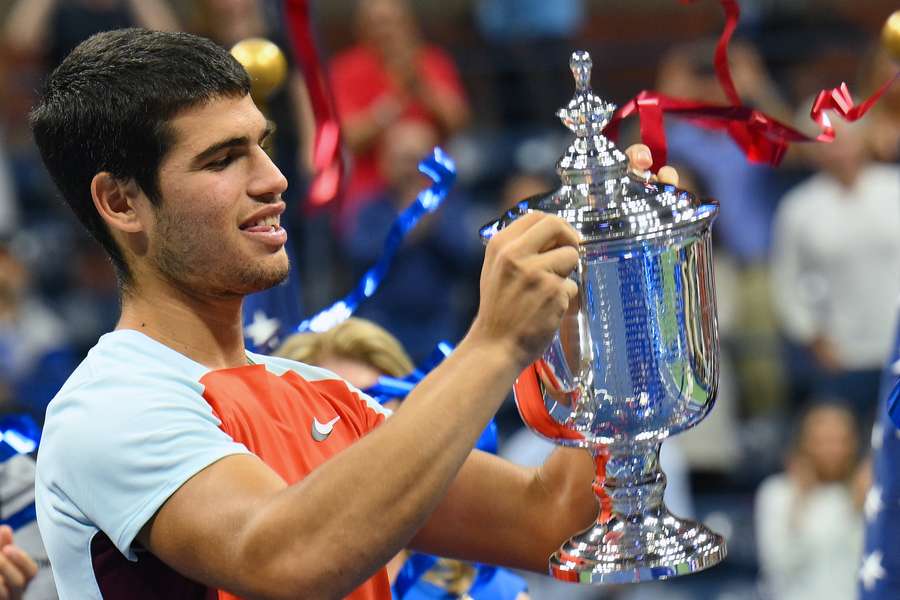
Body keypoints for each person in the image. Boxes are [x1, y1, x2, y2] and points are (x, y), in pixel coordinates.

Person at [29, 28, 680, 598]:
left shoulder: (322, 396)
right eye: (224, 159)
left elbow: (557, 522)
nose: (274, 178)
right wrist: (494, 343)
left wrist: (618, 293)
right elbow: (288, 561)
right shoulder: (109, 407)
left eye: (263, 144)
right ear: (121, 203)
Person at [275, 318, 529, 599]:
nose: (357, 432)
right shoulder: (255, 581)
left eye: (375, 402)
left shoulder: (483, 588)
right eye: (330, 413)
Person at [770, 118, 900, 420]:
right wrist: (811, 335)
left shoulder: (894, 188)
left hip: (897, 347)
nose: (839, 150)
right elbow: (785, 282)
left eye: (845, 138)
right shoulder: (798, 207)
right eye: (828, 142)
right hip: (840, 354)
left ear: (863, 138)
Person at [341, 119, 482, 362]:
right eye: (402, 159)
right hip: (380, 327)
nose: (411, 169)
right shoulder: (369, 208)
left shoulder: (450, 205)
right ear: (385, 162)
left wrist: (431, 221)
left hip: (440, 328)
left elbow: (466, 257)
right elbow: (359, 255)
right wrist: (410, 221)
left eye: (418, 159)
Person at [329, 0, 470, 222]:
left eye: (392, 22)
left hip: (435, 183)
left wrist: (421, 87)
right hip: (373, 193)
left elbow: (458, 121)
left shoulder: (431, 61)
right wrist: (392, 107)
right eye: (376, 23)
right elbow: (347, 137)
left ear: (409, 24)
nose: (386, 30)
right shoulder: (346, 69)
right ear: (361, 29)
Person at [755, 402, 868, 600]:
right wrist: (800, 505)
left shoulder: (866, 496)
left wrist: (860, 509)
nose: (832, 450)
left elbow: (875, 567)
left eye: (841, 440)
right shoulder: (777, 493)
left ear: (854, 444)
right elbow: (777, 567)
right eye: (822, 440)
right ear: (804, 443)